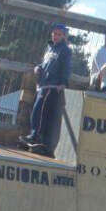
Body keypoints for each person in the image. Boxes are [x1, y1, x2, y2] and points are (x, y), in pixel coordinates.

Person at [23, 23, 72, 156]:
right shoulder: (49, 48)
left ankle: (35, 135)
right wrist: (38, 67)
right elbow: (45, 63)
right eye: (54, 33)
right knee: (40, 112)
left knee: (39, 109)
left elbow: (66, 68)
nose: (56, 36)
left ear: (64, 36)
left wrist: (63, 82)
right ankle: (39, 140)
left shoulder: (65, 50)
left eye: (59, 34)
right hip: (43, 84)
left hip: (53, 85)